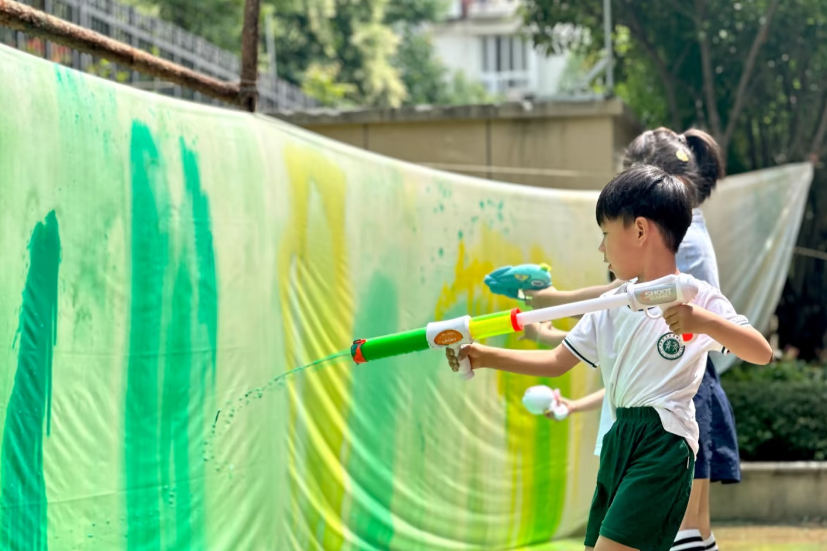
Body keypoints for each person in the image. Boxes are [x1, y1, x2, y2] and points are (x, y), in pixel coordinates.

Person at [448, 165, 772, 551]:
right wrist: (482, 355)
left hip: (664, 440)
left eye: (605, 233)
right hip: (619, 438)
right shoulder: (611, 304)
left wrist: (703, 321)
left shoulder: (698, 297)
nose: (601, 248)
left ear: (639, 230)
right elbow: (557, 362)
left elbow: (761, 352)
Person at [524, 128, 737, 551]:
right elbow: (624, 323)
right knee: (692, 530)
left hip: (677, 400)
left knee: (686, 531)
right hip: (672, 394)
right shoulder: (685, 230)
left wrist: (551, 302)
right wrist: (554, 324)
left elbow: (620, 300)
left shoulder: (676, 239)